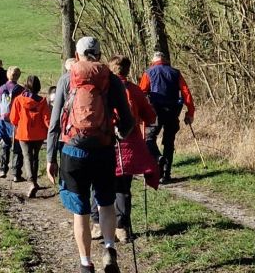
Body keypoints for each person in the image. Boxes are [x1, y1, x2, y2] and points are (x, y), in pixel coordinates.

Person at [46, 37, 136, 273]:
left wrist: (49, 159)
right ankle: (109, 248)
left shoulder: (67, 79)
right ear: (98, 54)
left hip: (73, 151)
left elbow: (54, 123)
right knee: (106, 203)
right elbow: (128, 120)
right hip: (103, 149)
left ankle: (86, 264)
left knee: (81, 211)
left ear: (77, 55)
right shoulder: (111, 79)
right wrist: (117, 134)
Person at [108, 56, 160, 242]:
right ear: (127, 70)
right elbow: (151, 117)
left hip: (107, 144)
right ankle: (122, 227)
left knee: (103, 186)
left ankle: (101, 224)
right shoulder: (135, 90)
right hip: (130, 146)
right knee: (123, 187)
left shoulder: (103, 89)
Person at [140, 52, 196, 182]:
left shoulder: (148, 72)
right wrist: (190, 112)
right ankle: (166, 174)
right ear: (165, 60)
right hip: (172, 111)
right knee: (169, 141)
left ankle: (158, 158)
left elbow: (141, 92)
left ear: (153, 61)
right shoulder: (176, 73)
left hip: (155, 112)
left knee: (149, 138)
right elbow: (186, 92)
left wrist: (140, 111)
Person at [9, 74, 48, 191]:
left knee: (27, 157)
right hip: (39, 134)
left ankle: (31, 182)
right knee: (35, 157)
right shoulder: (42, 101)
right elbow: (47, 119)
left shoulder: (18, 100)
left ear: (26, 85)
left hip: (23, 133)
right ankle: (34, 181)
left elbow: (13, 119)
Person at [0, 68, 24, 178]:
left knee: (4, 144)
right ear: (18, 76)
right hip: (16, 122)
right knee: (17, 147)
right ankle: (16, 173)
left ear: (8, 76)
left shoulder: (1, 89)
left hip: (2, 121)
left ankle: (3, 169)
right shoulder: (22, 90)